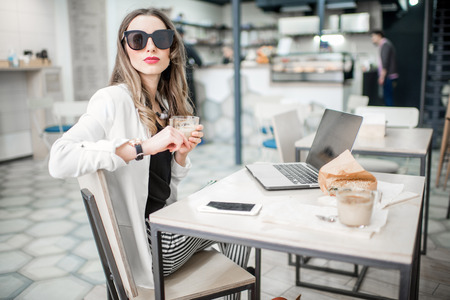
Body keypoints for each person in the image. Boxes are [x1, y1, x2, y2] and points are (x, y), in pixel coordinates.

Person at [48, 7, 250, 295]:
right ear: (125, 49)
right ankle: (239, 287)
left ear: (172, 50)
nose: (151, 46)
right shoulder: (111, 99)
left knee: (226, 196)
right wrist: (143, 147)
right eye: (138, 39)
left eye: (161, 38)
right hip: (151, 246)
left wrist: (179, 155)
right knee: (236, 217)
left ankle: (235, 282)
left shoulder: (164, 106)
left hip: (164, 224)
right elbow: (59, 158)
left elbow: (162, 191)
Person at [177, 26, 202, 115]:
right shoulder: (187, 47)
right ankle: (194, 125)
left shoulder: (170, 48)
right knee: (191, 104)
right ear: (182, 35)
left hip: (175, 80)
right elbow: (199, 62)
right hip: (188, 78)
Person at [371, 29, 399, 106]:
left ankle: (390, 115)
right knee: (388, 97)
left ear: (379, 36)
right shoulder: (385, 44)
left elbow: (385, 62)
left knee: (388, 98)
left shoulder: (385, 45)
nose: (372, 39)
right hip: (388, 76)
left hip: (388, 76)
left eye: (373, 36)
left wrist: (382, 77)